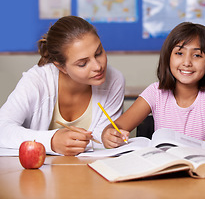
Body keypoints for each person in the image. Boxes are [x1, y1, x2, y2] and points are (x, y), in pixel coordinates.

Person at [0, 16, 126, 156]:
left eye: (99, 53)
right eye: (83, 64)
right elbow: (2, 128)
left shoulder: (114, 80)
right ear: (61, 67)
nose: (98, 66)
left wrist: (108, 138)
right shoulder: (37, 81)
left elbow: (100, 141)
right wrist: (52, 141)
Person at [102, 22, 205, 148]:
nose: (187, 62)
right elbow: (117, 126)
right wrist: (108, 134)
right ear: (168, 57)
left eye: (197, 55)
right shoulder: (155, 92)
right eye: (179, 53)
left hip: (203, 168)